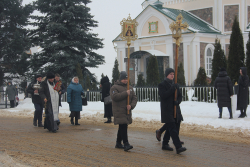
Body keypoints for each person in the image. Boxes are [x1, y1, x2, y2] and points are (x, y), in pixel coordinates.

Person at [157, 68, 186, 154]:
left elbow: (180, 96)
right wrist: (172, 89)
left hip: (175, 109)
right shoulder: (162, 85)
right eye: (170, 74)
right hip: (167, 110)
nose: (172, 76)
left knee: (174, 126)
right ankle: (178, 147)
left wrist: (178, 101)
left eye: (173, 74)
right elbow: (163, 95)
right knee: (172, 128)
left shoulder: (175, 85)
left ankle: (165, 144)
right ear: (166, 75)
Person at [110, 71, 137, 151]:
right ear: (120, 79)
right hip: (119, 110)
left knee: (122, 126)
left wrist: (131, 105)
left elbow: (135, 98)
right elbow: (115, 97)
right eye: (124, 79)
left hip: (127, 110)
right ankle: (126, 143)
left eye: (126, 79)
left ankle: (118, 143)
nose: (125, 80)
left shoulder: (130, 88)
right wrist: (126, 93)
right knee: (123, 125)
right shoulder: (114, 87)